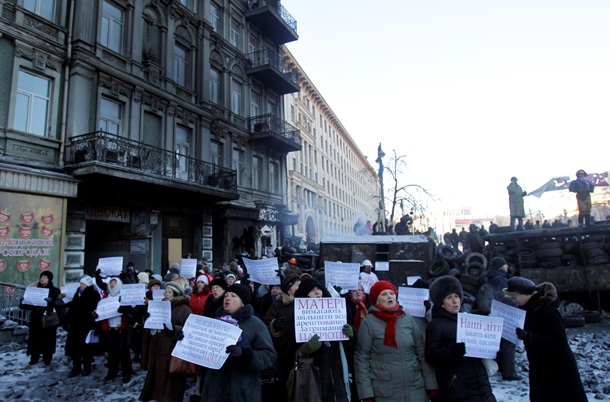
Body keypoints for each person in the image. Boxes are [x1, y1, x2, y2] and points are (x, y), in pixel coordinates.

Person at [503, 277, 587, 402]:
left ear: (525, 295)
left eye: (515, 297)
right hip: (540, 365)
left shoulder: (548, 311)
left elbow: (560, 342)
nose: (513, 300)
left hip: (558, 368)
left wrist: (529, 337)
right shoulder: (528, 308)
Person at [354, 281, 437, 402]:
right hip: (385, 392)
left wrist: (431, 384)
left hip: (415, 389)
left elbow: (421, 351)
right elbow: (362, 360)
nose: (389, 296)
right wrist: (366, 394)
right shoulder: (368, 323)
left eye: (392, 293)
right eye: (384, 294)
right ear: (376, 300)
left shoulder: (407, 318)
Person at [425, 276, 496, 402]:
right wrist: (451, 352)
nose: (455, 301)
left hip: (480, 382)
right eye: (449, 297)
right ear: (441, 303)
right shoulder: (436, 325)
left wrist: (492, 343)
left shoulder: (469, 319)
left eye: (457, 296)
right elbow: (430, 356)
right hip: (456, 386)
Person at [202, 283, 276, 402]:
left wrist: (245, 354)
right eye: (226, 295)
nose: (228, 298)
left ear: (243, 302)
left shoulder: (255, 324)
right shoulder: (214, 323)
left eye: (233, 296)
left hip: (243, 392)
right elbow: (199, 350)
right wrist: (185, 337)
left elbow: (269, 357)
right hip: (214, 391)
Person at [139, 281, 192, 402]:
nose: (166, 294)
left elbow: (188, 328)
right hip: (158, 346)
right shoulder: (160, 305)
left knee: (171, 376)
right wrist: (148, 318)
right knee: (159, 373)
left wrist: (174, 330)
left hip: (171, 348)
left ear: (176, 293)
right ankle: (158, 395)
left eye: (169, 292)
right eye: (166, 291)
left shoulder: (183, 309)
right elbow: (150, 322)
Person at [476, 257, 520, 381]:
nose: (507, 267)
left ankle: (500, 367)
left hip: (489, 313)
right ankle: (509, 373)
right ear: (501, 266)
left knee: (499, 343)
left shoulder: (488, 277)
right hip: (501, 314)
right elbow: (507, 298)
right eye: (505, 265)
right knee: (509, 344)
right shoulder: (502, 281)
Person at [19, 271, 60, 365]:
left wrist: (51, 301)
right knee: (35, 337)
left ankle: (47, 357)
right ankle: (34, 356)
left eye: (45, 277)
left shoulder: (54, 290)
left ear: (49, 279)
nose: (42, 279)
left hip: (48, 317)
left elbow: (58, 302)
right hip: (36, 317)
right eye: (41, 277)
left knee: (48, 338)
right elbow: (27, 304)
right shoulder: (35, 289)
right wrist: (24, 299)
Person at [64, 274, 101, 378]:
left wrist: (95, 325)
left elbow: (95, 309)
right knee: (74, 348)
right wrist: (66, 321)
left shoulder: (93, 294)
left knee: (86, 348)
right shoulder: (78, 293)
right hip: (75, 325)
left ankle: (87, 367)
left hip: (86, 325)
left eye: (83, 283)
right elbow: (72, 308)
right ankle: (76, 367)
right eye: (80, 283)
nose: (80, 285)